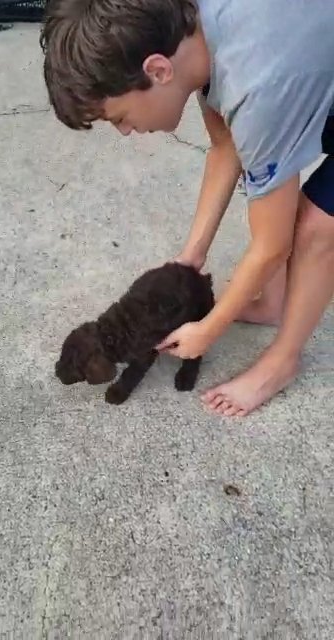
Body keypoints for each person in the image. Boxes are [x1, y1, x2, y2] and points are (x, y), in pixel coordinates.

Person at [40, 0, 334, 416]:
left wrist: (208, 330)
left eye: (118, 117)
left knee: (315, 226)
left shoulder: (258, 87)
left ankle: (282, 360)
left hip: (294, 66)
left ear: (158, 70)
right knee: (270, 182)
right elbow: (226, 145)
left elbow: (273, 245)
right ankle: (272, 305)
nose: (126, 132)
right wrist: (190, 257)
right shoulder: (190, 33)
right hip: (310, 48)